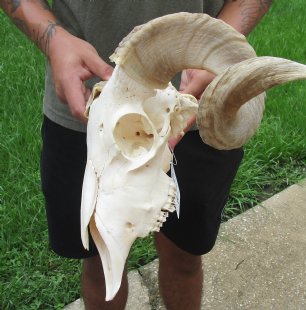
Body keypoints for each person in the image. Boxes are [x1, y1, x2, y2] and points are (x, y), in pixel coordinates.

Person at [1, 1, 272, 309]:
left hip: (194, 107)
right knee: (102, 262)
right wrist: (53, 39)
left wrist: (218, 44)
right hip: (86, 106)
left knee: (185, 256)